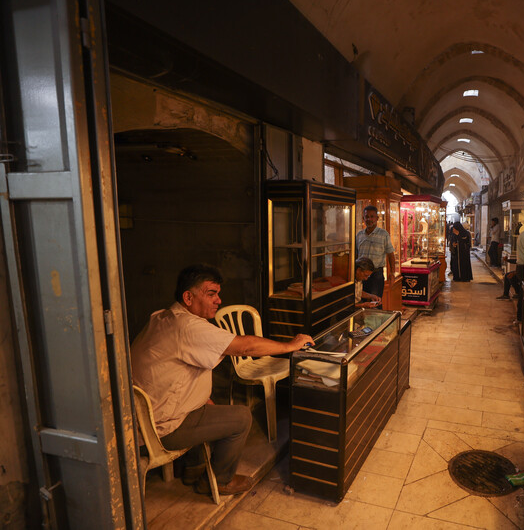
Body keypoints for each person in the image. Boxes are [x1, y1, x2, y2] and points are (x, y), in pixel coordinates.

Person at [130, 264, 314, 497]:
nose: (218, 300)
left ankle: (193, 469)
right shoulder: (188, 327)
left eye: (218, 294)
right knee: (241, 417)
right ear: (188, 297)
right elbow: (245, 346)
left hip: (142, 422)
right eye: (211, 294)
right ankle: (219, 480)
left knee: (205, 404)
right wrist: (290, 346)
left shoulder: (162, 317)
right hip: (161, 430)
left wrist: (202, 398)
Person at [356, 205, 396, 300]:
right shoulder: (359, 235)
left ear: (377, 218)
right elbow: (356, 254)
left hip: (376, 275)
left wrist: (392, 273)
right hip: (360, 274)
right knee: (360, 299)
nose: (369, 219)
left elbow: (390, 254)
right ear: (363, 218)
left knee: (375, 301)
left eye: (372, 216)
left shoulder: (384, 234)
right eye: (367, 217)